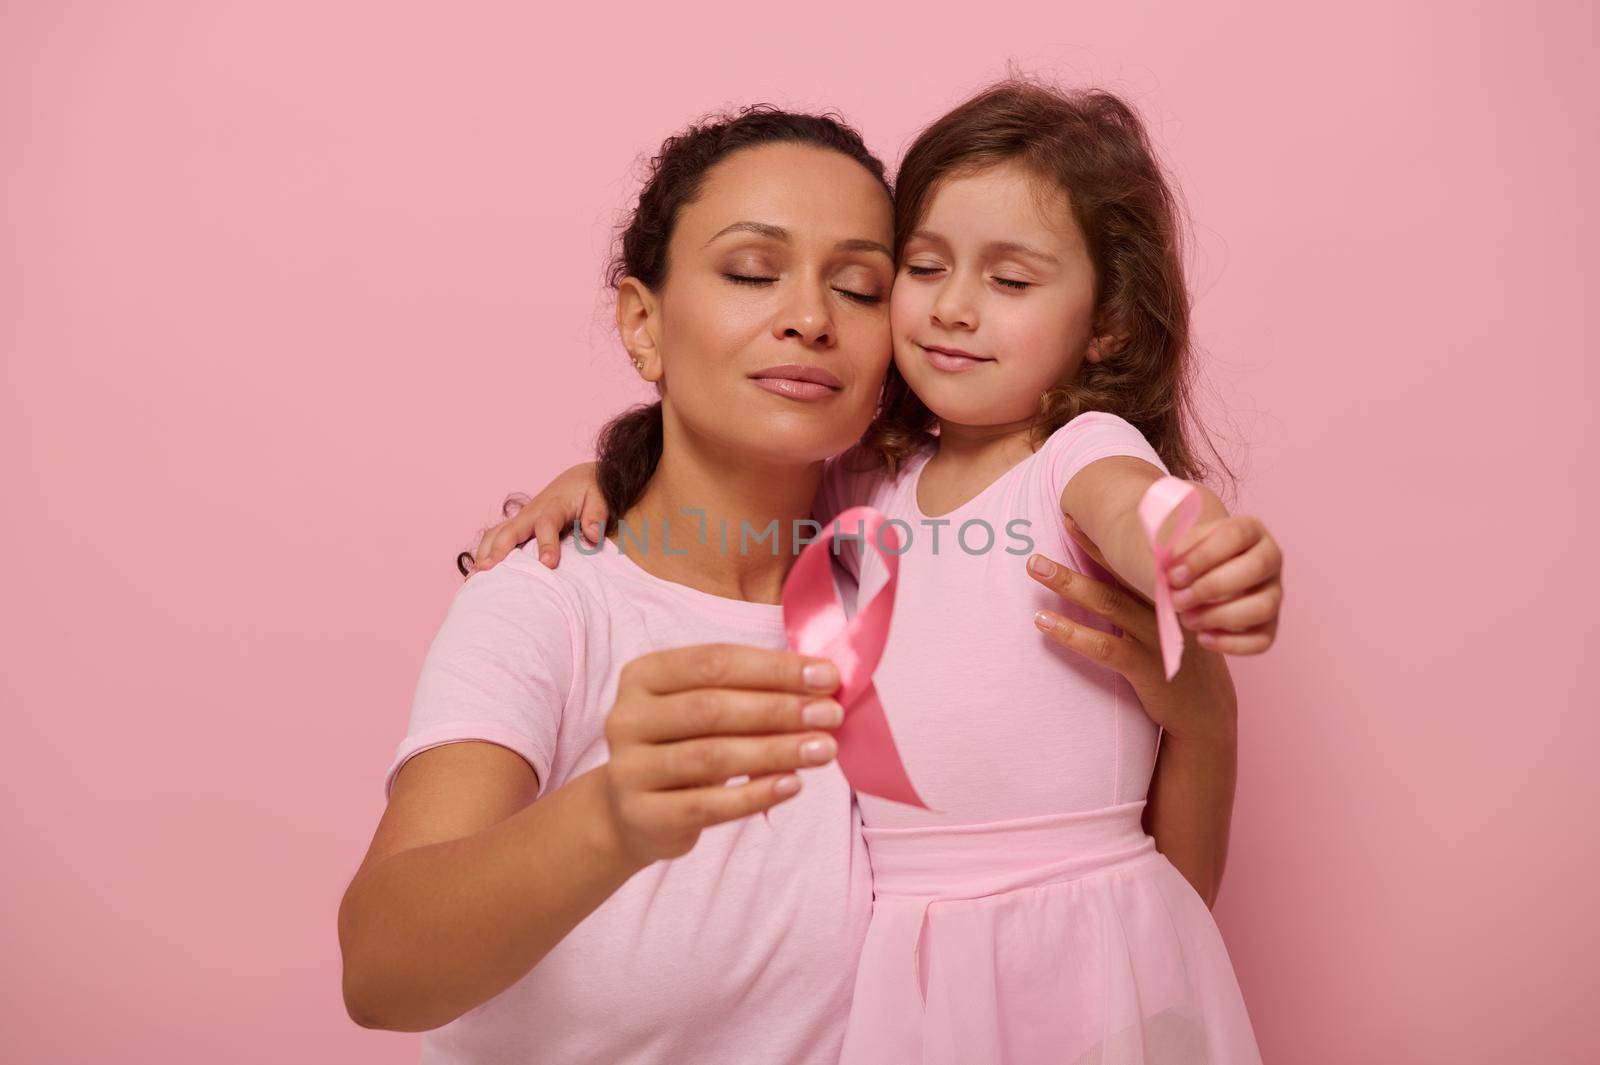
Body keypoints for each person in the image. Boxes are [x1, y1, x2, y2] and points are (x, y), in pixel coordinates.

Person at [471, 80, 1280, 1063]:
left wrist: (1197, 549)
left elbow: (1135, 503)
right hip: (902, 954)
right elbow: (722, 470)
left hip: (1079, 933)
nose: (951, 308)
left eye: (1010, 283)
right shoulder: (862, 478)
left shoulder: (1073, 452)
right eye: (922, 268)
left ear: (1106, 323)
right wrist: (599, 472)